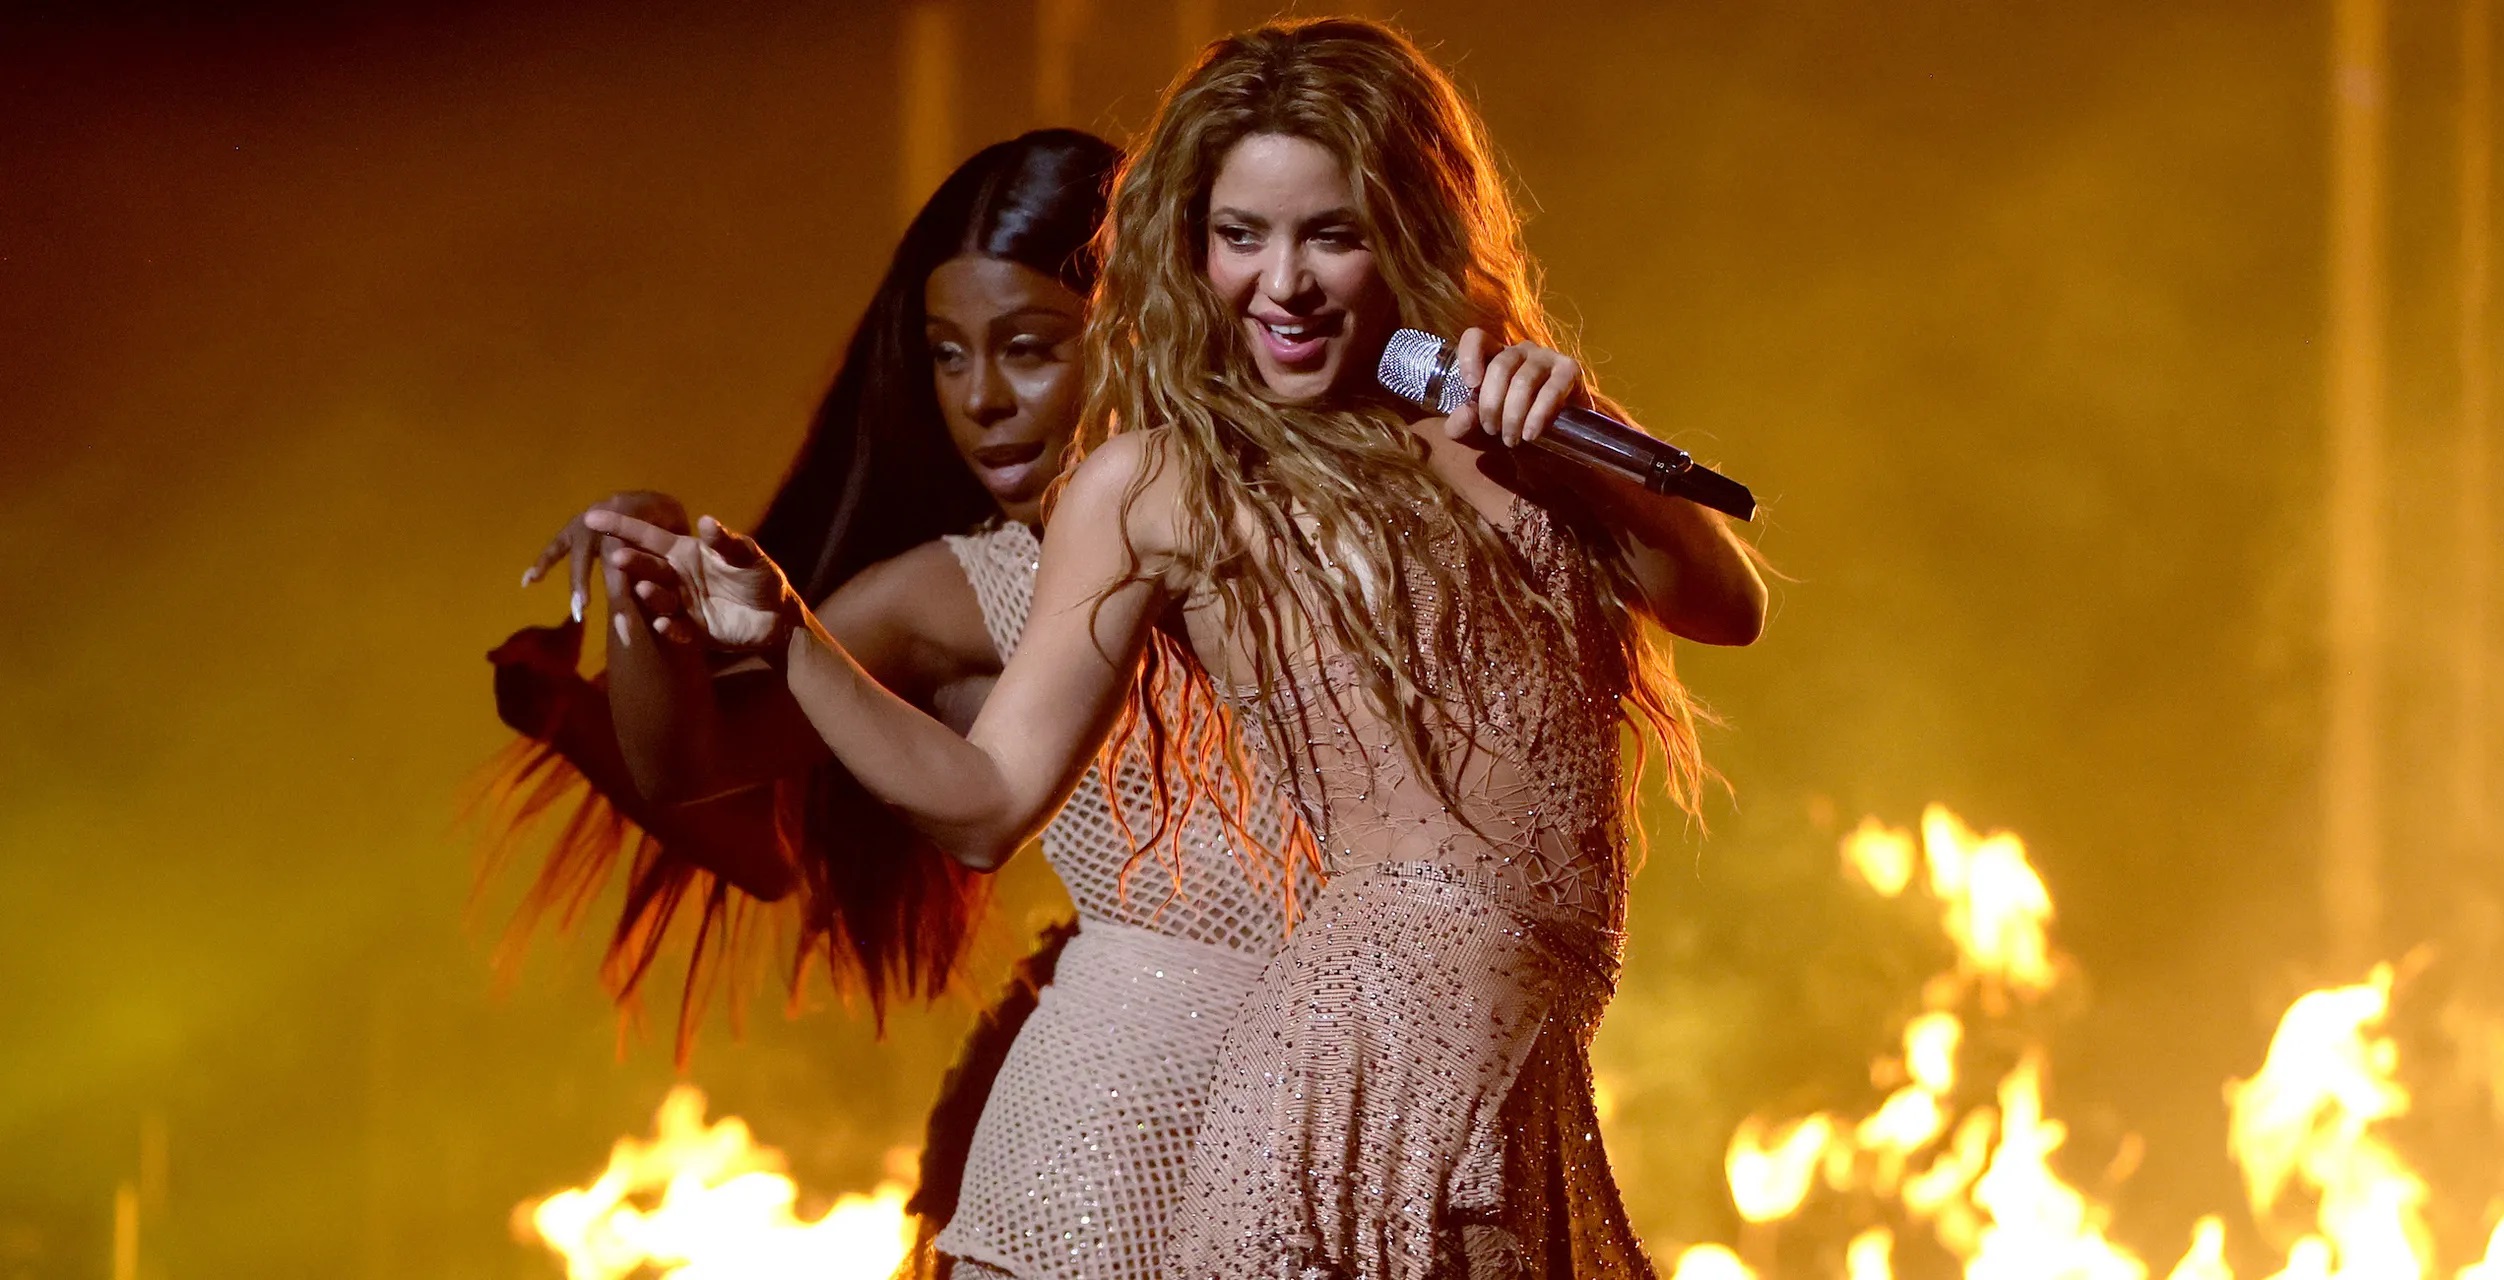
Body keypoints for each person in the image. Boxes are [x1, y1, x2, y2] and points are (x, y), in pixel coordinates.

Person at [590, 17, 1768, 1278]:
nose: (1284, 283)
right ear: (1190, 248)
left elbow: (1725, 603)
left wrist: (1575, 426)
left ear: (1413, 233)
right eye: (1241, 236)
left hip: (1519, 1055)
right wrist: (791, 635)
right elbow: (985, 803)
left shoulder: (1495, 425)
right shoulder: (1165, 482)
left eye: (1332, 232)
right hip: (1355, 1072)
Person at [482, 128, 1302, 1280]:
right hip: (1101, 1158)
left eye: (1027, 349)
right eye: (947, 355)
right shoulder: (951, 594)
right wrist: (642, 562)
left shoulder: (1306, 524)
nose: (982, 400)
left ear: (1139, 327)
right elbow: (691, 763)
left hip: (1365, 1110)